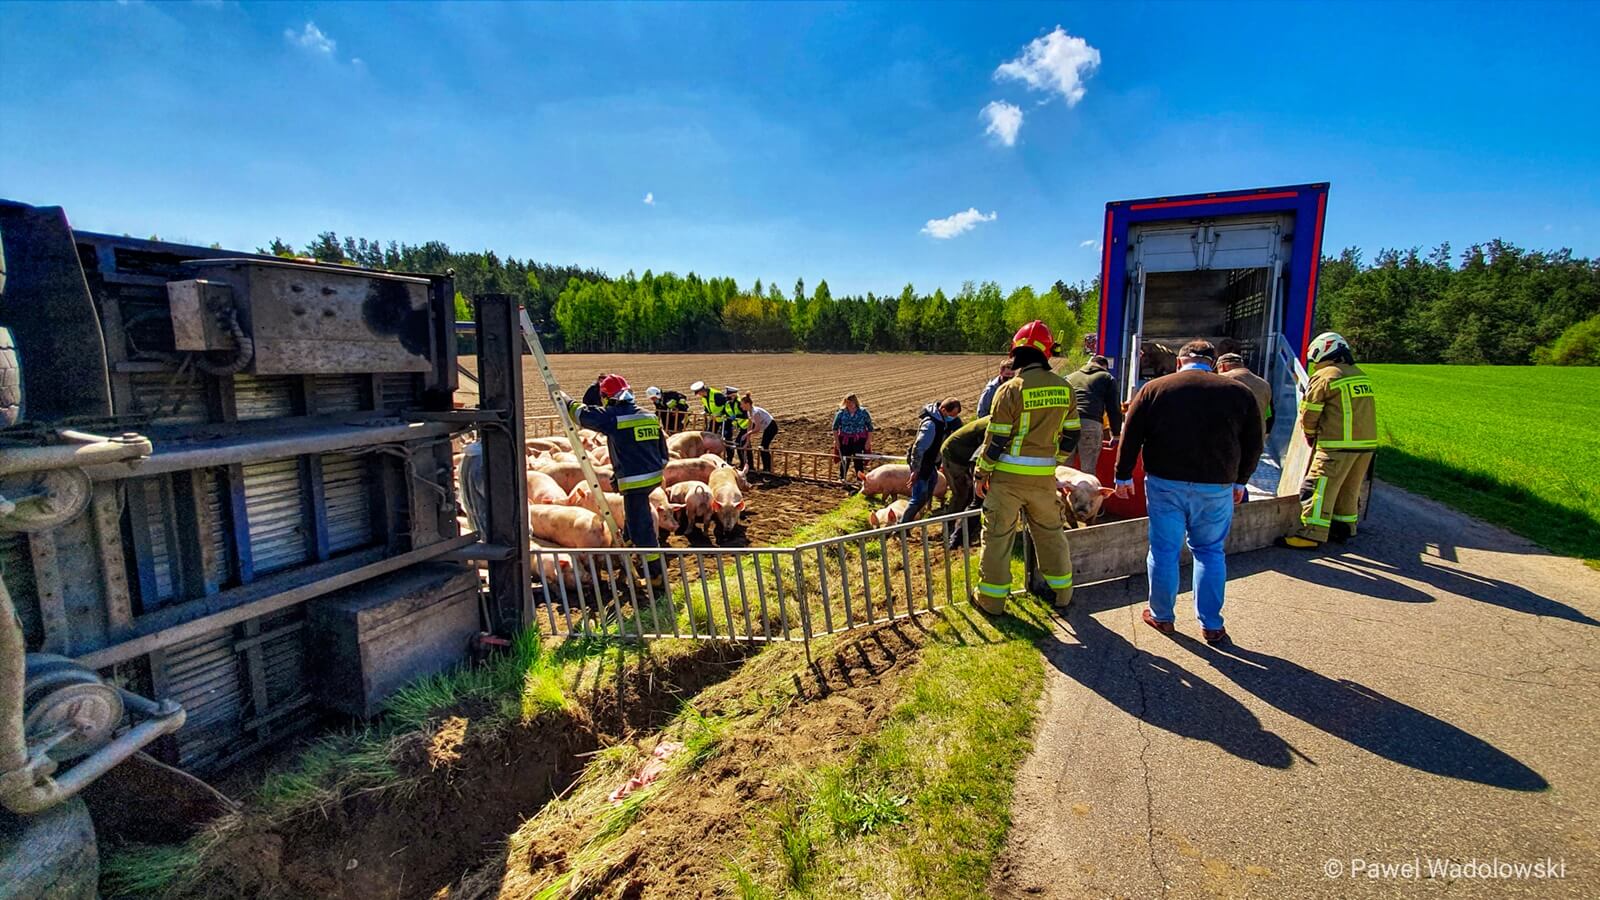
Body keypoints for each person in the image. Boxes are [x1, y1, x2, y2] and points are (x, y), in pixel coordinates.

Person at [1113, 340, 1263, 645]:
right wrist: (1241, 481)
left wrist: (1123, 474)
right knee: (1209, 551)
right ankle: (1211, 624)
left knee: (1164, 551)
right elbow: (1253, 442)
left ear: (1180, 362)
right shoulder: (1239, 393)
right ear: (1214, 363)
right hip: (1217, 486)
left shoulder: (1156, 389)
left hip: (1165, 483)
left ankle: (1162, 616)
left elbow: (1131, 433)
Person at [972, 321, 1080, 614]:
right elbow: (1072, 435)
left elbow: (995, 441)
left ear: (1017, 353)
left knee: (997, 539)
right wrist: (1053, 462)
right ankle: (1063, 594)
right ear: (1046, 352)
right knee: (1050, 535)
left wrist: (981, 473)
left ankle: (991, 602)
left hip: (1007, 481)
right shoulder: (1064, 388)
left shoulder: (1010, 390)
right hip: (1044, 480)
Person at [555, 375, 667, 579]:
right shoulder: (649, 416)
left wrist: (564, 399)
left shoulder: (615, 417)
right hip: (654, 476)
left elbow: (583, 414)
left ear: (607, 397)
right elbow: (663, 450)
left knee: (643, 527)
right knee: (633, 516)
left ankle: (655, 573)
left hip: (634, 480)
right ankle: (628, 544)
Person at [1277, 332, 1377, 549]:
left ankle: (1310, 535)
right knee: (1348, 489)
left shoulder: (1326, 376)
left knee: (1317, 487)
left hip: (1336, 445)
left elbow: (1309, 412)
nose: (1314, 364)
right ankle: (1342, 528)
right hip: (1365, 445)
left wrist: (1310, 433)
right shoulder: (1359, 375)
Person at [903, 397, 962, 521]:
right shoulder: (931, 425)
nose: (954, 418)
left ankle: (919, 517)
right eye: (952, 415)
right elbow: (919, 448)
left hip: (931, 462)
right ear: (944, 410)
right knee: (918, 497)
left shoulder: (944, 422)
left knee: (931, 485)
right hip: (922, 462)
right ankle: (900, 527)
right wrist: (915, 470)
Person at [1065, 354, 1123, 476]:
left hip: (1067, 425)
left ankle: (1061, 495)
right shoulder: (1106, 377)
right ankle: (1085, 495)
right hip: (1090, 425)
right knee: (1087, 472)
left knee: (1064, 471)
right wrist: (1116, 434)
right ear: (1104, 367)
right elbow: (1113, 408)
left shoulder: (1069, 377)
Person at [939, 414, 989, 548]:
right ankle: (949, 529)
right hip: (955, 455)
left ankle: (965, 529)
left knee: (972, 496)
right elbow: (980, 454)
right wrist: (977, 477)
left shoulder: (999, 417)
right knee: (962, 495)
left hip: (967, 455)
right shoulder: (997, 424)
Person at [1216, 353, 1274, 439]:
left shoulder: (1219, 380)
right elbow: (1268, 415)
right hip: (1255, 440)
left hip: (1228, 440)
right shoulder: (1264, 384)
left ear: (1222, 367)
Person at [830, 393, 875, 482]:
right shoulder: (841, 413)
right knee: (844, 459)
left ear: (855, 402)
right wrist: (837, 441)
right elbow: (835, 428)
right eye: (848, 402)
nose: (850, 405)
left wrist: (868, 441)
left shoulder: (863, 412)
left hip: (859, 439)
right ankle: (842, 478)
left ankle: (860, 479)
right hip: (845, 439)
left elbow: (870, 428)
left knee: (858, 459)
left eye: (851, 402)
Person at [733, 394, 779, 472]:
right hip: (767, 427)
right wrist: (746, 442)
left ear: (747, 404)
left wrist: (747, 434)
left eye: (742, 404)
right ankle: (767, 468)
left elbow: (757, 429)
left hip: (771, 427)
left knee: (764, 447)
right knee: (763, 447)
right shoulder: (749, 412)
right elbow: (749, 427)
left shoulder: (755, 412)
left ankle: (768, 468)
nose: (741, 406)